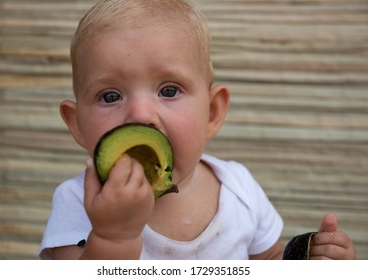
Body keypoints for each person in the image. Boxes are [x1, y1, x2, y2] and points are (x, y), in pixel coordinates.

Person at [39, 0, 356, 260]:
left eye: (169, 90)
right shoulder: (79, 201)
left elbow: (268, 262)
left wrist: (311, 262)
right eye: (110, 96)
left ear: (212, 113)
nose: (140, 115)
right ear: (78, 124)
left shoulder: (239, 187)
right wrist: (112, 238)